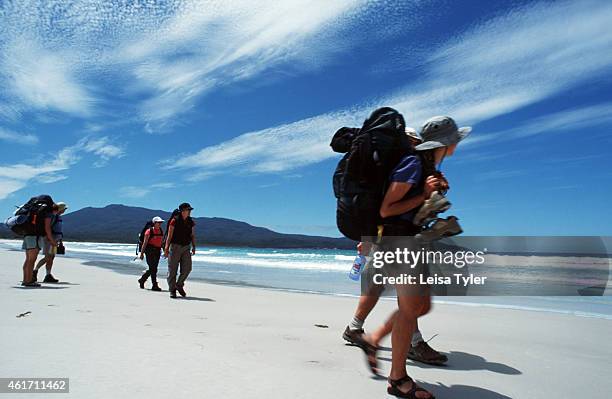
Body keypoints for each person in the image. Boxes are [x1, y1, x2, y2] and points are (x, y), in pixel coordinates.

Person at [366, 116, 470, 399]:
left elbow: (413, 205)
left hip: (410, 242)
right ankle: (398, 379)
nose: (457, 144)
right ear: (447, 142)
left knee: (420, 307)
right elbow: (387, 210)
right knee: (412, 309)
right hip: (398, 243)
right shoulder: (413, 164)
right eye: (456, 139)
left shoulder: (425, 165)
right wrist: (424, 193)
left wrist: (433, 193)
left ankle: (374, 339)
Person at [343, 128, 448, 366]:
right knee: (409, 299)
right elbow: (383, 208)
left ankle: (355, 328)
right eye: (412, 143)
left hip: (391, 239)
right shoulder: (405, 166)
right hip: (393, 240)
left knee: (379, 287)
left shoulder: (403, 167)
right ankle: (411, 343)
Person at [164, 203, 196, 299]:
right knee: (172, 270)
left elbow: (192, 235)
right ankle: (172, 290)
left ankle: (179, 284)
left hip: (186, 247)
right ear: (182, 211)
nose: (189, 211)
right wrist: (166, 248)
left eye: (190, 210)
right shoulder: (174, 221)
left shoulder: (191, 222)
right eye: (188, 210)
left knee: (187, 268)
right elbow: (169, 236)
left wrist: (194, 246)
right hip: (175, 247)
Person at [21, 203, 57, 287]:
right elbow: (47, 228)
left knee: (28, 259)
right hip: (35, 236)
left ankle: (25, 280)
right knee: (31, 260)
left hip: (27, 235)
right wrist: (52, 241)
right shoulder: (47, 214)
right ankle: (29, 281)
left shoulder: (34, 212)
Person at [33, 202, 67, 283]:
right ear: (61, 209)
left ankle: (48, 275)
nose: (65, 210)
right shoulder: (52, 216)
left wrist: (59, 240)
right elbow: (47, 228)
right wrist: (50, 239)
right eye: (64, 209)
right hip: (50, 240)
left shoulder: (58, 216)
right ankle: (34, 271)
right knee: (48, 257)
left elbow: (58, 230)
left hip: (54, 240)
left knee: (51, 258)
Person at [138, 216, 165, 291]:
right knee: (153, 268)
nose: (160, 224)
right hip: (149, 251)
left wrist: (165, 250)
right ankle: (154, 285)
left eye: (161, 222)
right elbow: (145, 243)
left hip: (157, 251)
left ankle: (142, 279)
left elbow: (161, 242)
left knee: (153, 268)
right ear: (154, 223)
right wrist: (142, 253)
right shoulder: (149, 231)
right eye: (158, 222)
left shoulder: (161, 231)